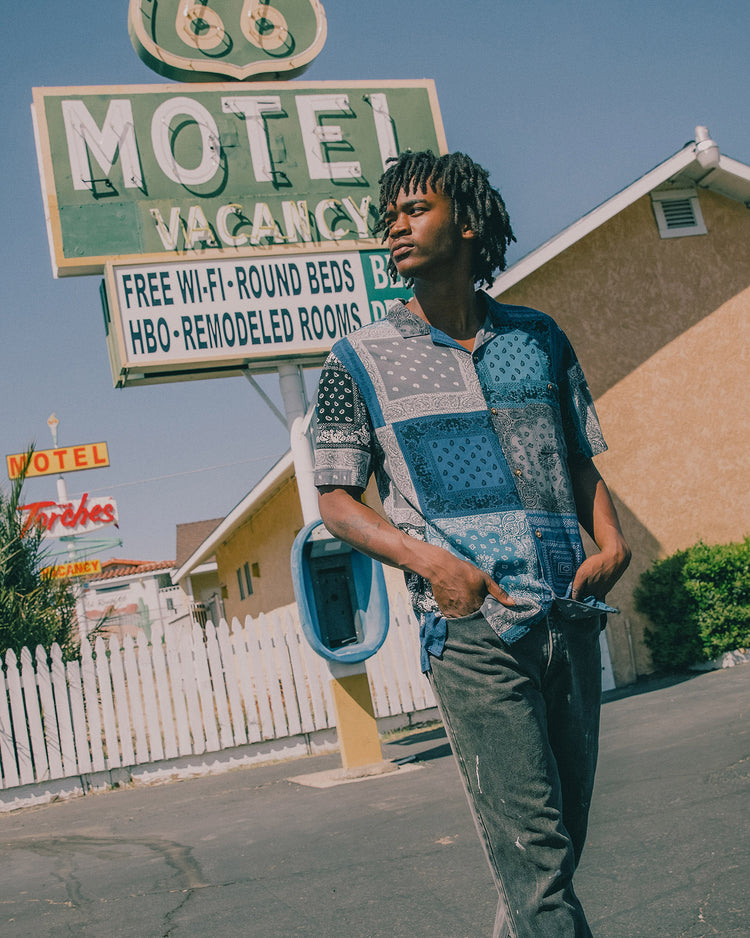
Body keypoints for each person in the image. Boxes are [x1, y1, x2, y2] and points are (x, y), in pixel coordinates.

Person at [312, 149, 631, 937]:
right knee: (537, 863)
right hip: (474, 633)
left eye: (415, 209)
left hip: (569, 614)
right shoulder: (358, 360)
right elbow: (336, 502)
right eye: (389, 216)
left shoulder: (540, 338)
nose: (396, 226)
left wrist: (612, 541)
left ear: (467, 222)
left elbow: (579, 458)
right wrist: (431, 564)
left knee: (552, 857)